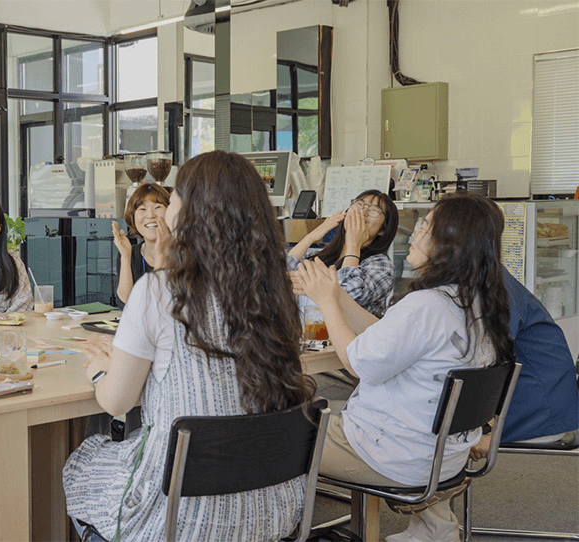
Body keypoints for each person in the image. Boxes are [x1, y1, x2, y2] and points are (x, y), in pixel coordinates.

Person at [63, 151, 317, 541]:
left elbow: (116, 402)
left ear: (192, 211)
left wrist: (102, 369)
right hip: (275, 511)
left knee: (81, 464)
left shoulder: (158, 291)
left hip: (181, 520)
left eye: (174, 196)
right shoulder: (276, 294)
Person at [295, 193, 515, 542]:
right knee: (328, 409)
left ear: (450, 243)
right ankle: (436, 530)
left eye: (426, 226)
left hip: (392, 457)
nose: (414, 233)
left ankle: (283, 528)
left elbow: (358, 363)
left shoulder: (424, 306)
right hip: (445, 456)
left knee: (278, 434)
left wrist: (325, 301)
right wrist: (335, 294)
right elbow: (382, 334)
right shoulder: (474, 302)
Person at [468, 266, 578, 455]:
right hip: (536, 406)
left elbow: (491, 358)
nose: (415, 238)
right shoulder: (483, 277)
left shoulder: (491, 284)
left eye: (423, 234)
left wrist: (485, 431)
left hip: (535, 415)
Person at [288, 189, 398, 317]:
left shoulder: (382, 265)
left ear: (383, 229)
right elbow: (279, 279)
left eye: (374, 210)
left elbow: (346, 296)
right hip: (307, 334)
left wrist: (353, 244)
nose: (362, 212)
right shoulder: (324, 255)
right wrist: (311, 236)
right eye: (359, 204)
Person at [111, 183, 170, 304]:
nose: (150, 215)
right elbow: (126, 303)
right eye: (142, 209)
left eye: (157, 207)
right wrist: (126, 256)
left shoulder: (187, 252)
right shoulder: (130, 253)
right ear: (132, 217)